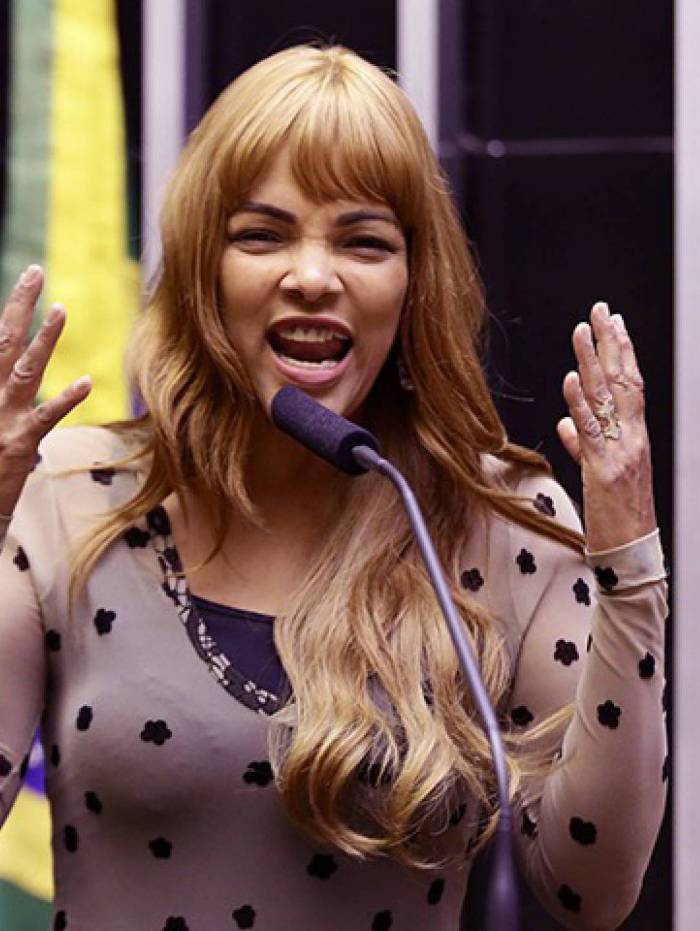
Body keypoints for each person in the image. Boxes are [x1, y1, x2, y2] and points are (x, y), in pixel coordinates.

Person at [0, 44, 667, 931]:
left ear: (414, 282)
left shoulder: (505, 525)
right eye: (263, 235)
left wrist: (631, 565)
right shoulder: (65, 496)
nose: (313, 276)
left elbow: (594, 891)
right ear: (202, 271)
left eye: (363, 241)